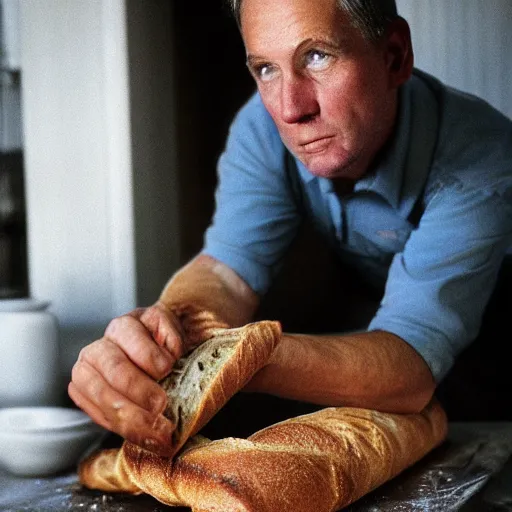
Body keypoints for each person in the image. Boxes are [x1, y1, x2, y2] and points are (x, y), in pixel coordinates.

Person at [69, 0, 512, 455]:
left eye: (317, 56)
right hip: (383, 312)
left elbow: (410, 367)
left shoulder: (481, 158)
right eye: (265, 68)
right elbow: (225, 273)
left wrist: (236, 358)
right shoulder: (262, 127)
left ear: (394, 56)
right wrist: (163, 330)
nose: (290, 109)